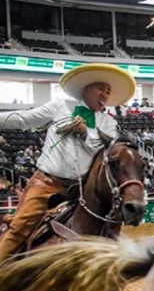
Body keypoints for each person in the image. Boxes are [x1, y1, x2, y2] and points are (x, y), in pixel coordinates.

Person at [0, 63, 136, 261]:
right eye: (101, 88)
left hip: (81, 190)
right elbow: (24, 119)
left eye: (108, 91)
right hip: (46, 184)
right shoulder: (59, 106)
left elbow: (106, 151)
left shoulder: (109, 123)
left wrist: (85, 134)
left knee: (107, 231)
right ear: (86, 88)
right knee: (20, 228)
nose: (105, 95)